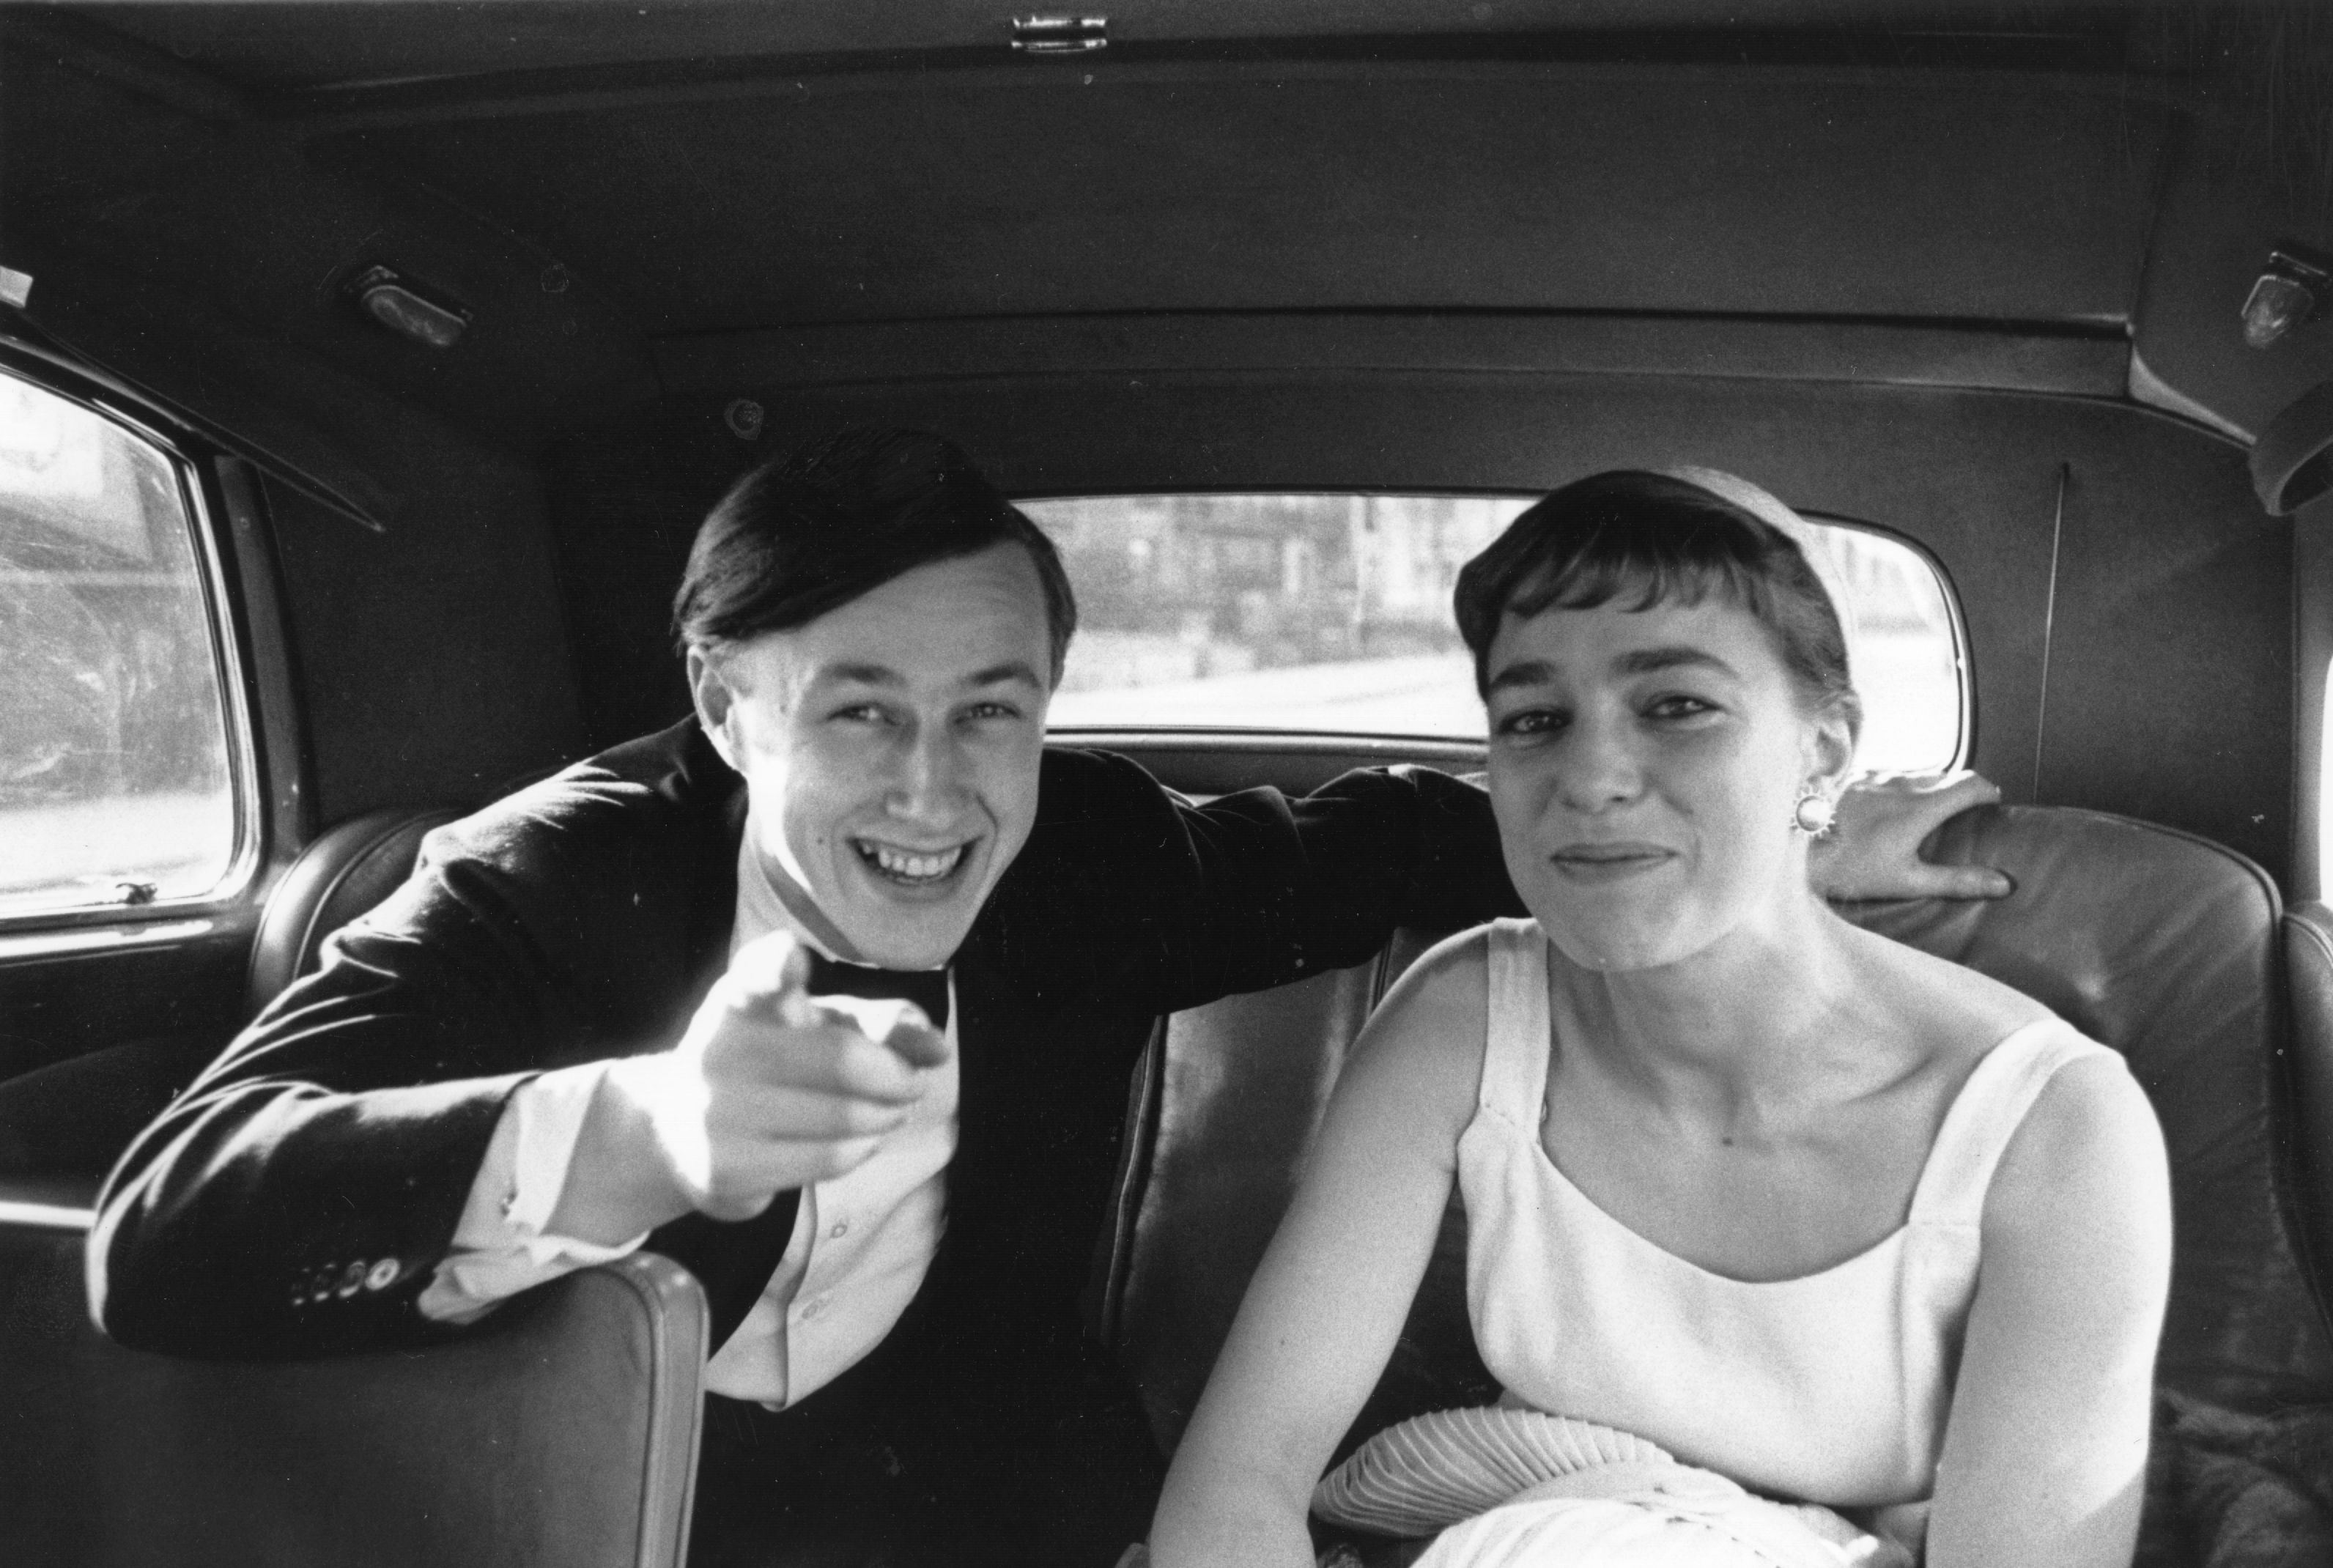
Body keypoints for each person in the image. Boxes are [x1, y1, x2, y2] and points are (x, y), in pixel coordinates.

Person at [89, 433, 2009, 1566]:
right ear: (724, 699)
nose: (938, 792)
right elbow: (168, 1227)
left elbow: (1400, 840)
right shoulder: (542, 885)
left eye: (993, 711)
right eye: (861, 712)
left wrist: (1774, 855)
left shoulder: (1086, 850)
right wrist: (645, 1129)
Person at [1148, 470, 2173, 1568]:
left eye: (1677, 706)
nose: (1589, 779)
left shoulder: (2056, 1125)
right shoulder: (1462, 1019)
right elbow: (1240, 1485)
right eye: (1534, 719)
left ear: (1824, 751)